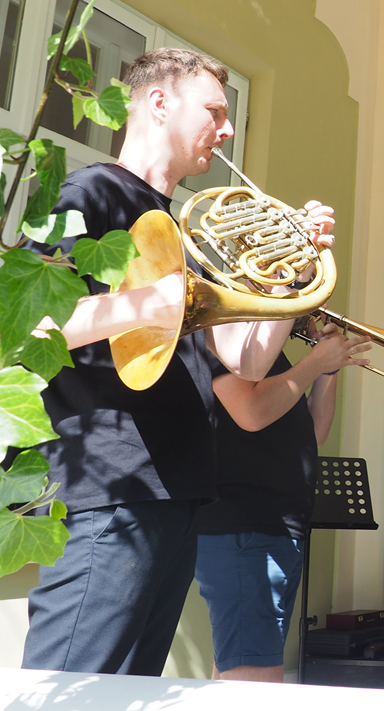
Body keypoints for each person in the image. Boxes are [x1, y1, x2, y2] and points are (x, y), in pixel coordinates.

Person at [21, 48, 333, 676]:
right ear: (160, 103)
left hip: (179, 492)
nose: (227, 129)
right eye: (215, 111)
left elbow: (246, 362)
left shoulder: (184, 234)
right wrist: (154, 303)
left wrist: (293, 277)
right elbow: (31, 325)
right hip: (111, 486)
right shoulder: (92, 192)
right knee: (68, 686)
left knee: (128, 691)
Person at [193, 321, 371, 681]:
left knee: (239, 667)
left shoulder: (266, 357)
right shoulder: (221, 334)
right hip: (243, 526)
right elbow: (251, 411)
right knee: (254, 677)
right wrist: (314, 363)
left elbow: (315, 433)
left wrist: (328, 369)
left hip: (274, 527)